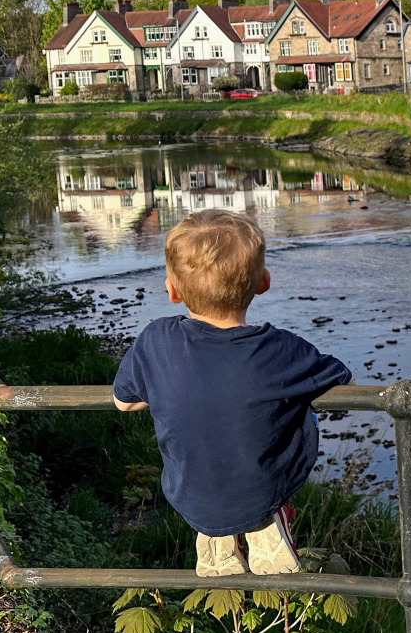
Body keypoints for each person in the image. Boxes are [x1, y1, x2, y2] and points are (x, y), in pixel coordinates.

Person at [113, 209, 352, 577]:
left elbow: (124, 401)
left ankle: (214, 537)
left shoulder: (156, 341)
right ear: (264, 282)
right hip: (262, 487)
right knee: (297, 409)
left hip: (191, 493)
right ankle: (266, 525)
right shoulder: (280, 349)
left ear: (172, 290)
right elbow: (340, 379)